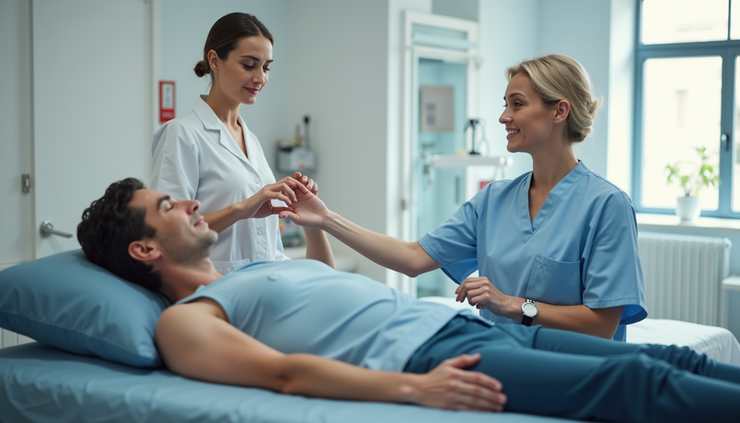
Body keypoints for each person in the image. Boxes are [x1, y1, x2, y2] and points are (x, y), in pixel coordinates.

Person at [75, 177, 739, 422]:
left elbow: (322, 288)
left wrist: (317, 228)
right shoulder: (184, 322)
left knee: (675, 359)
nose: (192, 203)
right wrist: (409, 390)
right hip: (436, 352)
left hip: (460, 321)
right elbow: (282, 372)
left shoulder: (242, 271)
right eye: (167, 205)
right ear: (144, 250)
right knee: (636, 379)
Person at [285, 54, 645, 341]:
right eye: (505, 104)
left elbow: (601, 325)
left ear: (559, 111)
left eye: (517, 104)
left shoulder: (606, 205)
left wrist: (514, 305)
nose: (504, 116)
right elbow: (412, 258)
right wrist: (326, 219)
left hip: (577, 372)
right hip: (502, 361)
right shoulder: (494, 200)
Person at [150, 12, 331, 274]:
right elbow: (164, 232)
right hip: (213, 289)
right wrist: (243, 208)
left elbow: (269, 247)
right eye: (249, 65)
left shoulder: (251, 141)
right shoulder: (182, 134)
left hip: (264, 285)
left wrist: (307, 210)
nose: (260, 77)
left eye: (266, 67)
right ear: (215, 60)